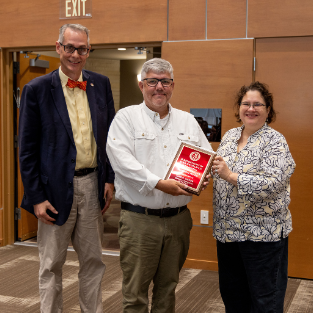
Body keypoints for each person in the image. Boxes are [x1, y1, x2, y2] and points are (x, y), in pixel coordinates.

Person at [19, 24, 115, 312]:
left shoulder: (101, 84)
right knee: (51, 265)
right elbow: (26, 149)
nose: (76, 54)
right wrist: (36, 197)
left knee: (93, 262)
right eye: (70, 47)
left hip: (92, 183)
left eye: (82, 48)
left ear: (89, 50)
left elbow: (109, 138)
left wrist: (108, 178)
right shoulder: (36, 89)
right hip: (53, 190)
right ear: (58, 47)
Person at [106, 58, 213, 313]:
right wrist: (160, 184)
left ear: (172, 85)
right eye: (152, 81)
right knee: (135, 294)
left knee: (168, 289)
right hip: (139, 221)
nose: (159, 87)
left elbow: (206, 156)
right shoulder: (126, 118)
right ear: (142, 85)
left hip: (178, 221)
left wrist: (204, 177)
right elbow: (121, 162)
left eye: (165, 81)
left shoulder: (187, 121)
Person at [211, 81, 296, 313]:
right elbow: (218, 168)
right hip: (228, 234)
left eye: (257, 104)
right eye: (246, 103)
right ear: (238, 108)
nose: (251, 108)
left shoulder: (275, 141)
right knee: (233, 296)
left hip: (262, 236)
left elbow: (272, 184)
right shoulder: (229, 136)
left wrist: (230, 176)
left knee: (264, 300)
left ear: (268, 110)